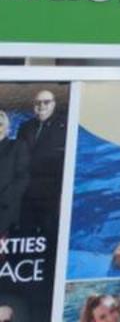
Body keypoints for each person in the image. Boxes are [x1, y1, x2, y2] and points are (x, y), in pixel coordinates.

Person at [14, 88, 65, 230]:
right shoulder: (25, 127)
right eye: (38, 102)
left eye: (46, 102)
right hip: (26, 193)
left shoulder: (65, 126)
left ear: (54, 104)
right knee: (25, 231)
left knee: (48, 232)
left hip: (50, 195)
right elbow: (18, 157)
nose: (41, 106)